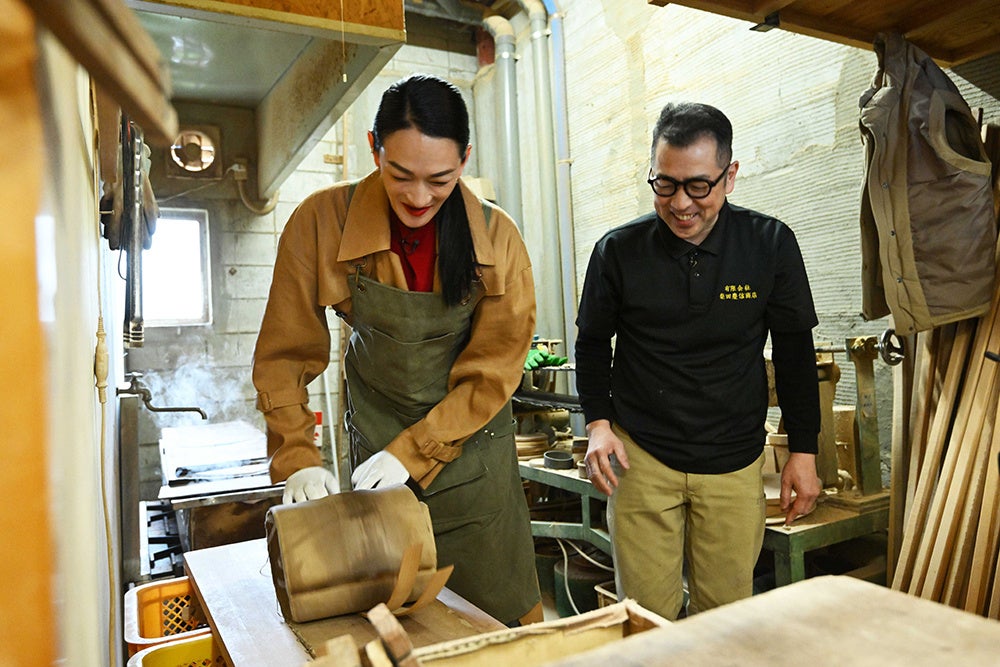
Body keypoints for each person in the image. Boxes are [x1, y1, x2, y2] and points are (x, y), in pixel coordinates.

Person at [252, 73, 543, 626]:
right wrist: (296, 456)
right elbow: (283, 356)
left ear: (465, 160)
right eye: (400, 175)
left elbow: (492, 374)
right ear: (374, 150)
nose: (418, 197)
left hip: (473, 467)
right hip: (376, 466)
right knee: (393, 626)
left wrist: (413, 452)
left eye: (440, 179)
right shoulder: (320, 223)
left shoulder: (498, 238)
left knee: (496, 631)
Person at [575, 101, 821, 621]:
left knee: (725, 623)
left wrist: (803, 450)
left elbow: (794, 352)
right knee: (645, 621)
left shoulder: (769, 244)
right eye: (665, 184)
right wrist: (598, 424)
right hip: (641, 458)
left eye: (698, 186)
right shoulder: (618, 251)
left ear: (730, 176)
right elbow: (593, 344)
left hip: (734, 458)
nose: (681, 203)